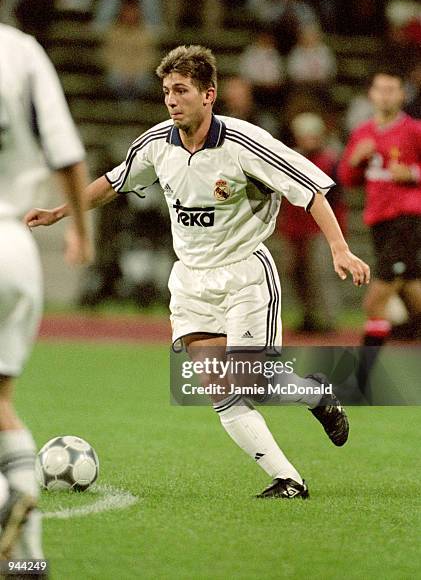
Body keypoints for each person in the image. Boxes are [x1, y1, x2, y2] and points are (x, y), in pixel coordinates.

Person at [26, 45, 370, 499]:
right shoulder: (155, 144)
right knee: (218, 387)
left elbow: (309, 191)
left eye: (182, 90)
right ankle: (288, 479)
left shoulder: (245, 143)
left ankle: (315, 394)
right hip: (190, 279)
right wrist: (60, 212)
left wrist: (339, 248)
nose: (171, 99)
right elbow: (114, 181)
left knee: (252, 381)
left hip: (245, 273)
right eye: (167, 90)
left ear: (208, 95)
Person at [0, 23, 92, 562]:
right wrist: (79, 228)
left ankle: (8, 501)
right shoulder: (23, 50)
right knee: (1, 402)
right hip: (14, 247)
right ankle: (28, 558)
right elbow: (67, 155)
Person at [339, 70, 421, 397]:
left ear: (402, 95)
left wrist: (413, 173)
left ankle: (360, 380)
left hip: (406, 220)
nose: (386, 95)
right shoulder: (362, 133)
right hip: (379, 222)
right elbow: (347, 178)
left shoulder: (414, 131)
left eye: (392, 89)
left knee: (375, 301)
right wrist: (356, 161)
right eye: (380, 89)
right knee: (414, 294)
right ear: (371, 94)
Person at [277, 113, 345, 332]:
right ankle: (309, 316)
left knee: (321, 274)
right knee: (297, 274)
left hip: (319, 229)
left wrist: (338, 232)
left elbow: (337, 200)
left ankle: (328, 319)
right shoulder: (291, 159)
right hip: (296, 228)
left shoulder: (330, 161)